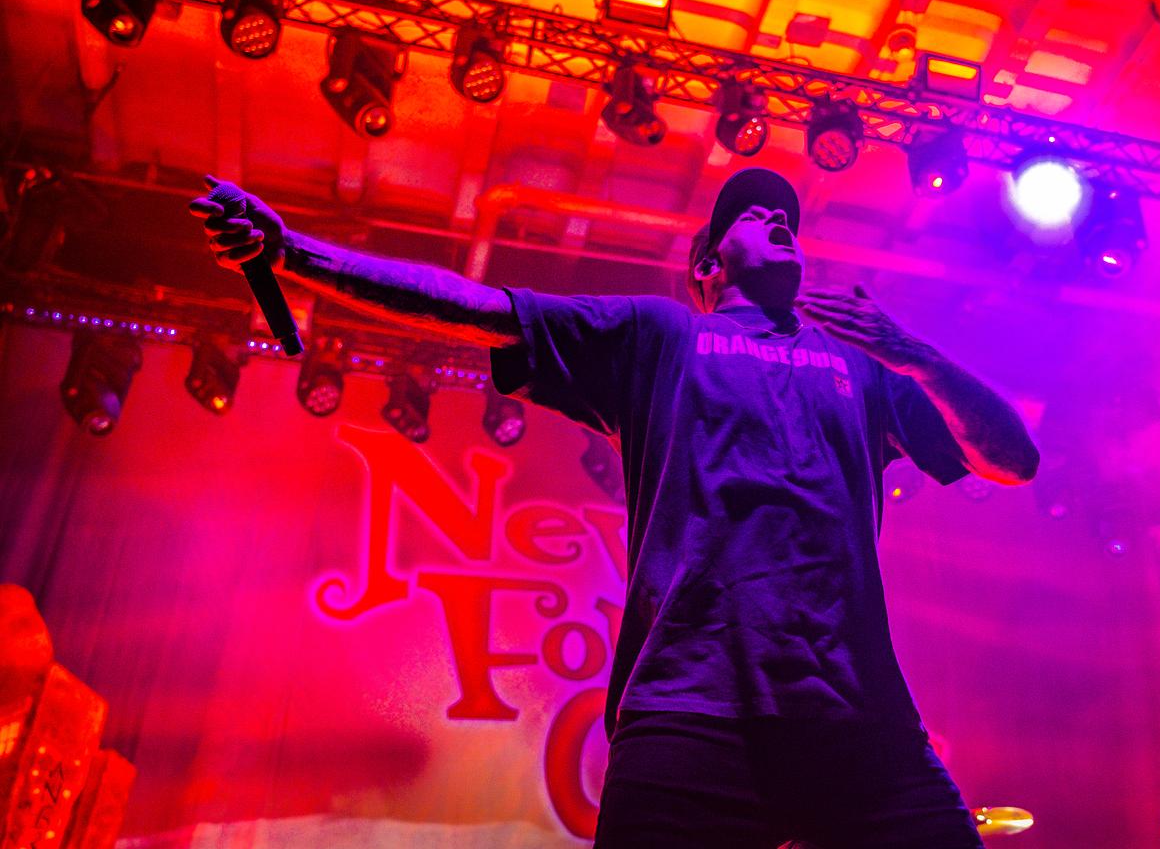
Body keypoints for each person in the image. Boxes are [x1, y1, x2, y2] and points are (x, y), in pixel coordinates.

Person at [189, 167, 1040, 849]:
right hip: (692, 718)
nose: (778, 219)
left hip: (861, 719)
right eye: (751, 214)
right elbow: (475, 307)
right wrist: (294, 254)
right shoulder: (664, 336)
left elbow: (1013, 460)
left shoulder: (861, 367)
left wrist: (914, 353)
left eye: (786, 214)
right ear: (707, 267)